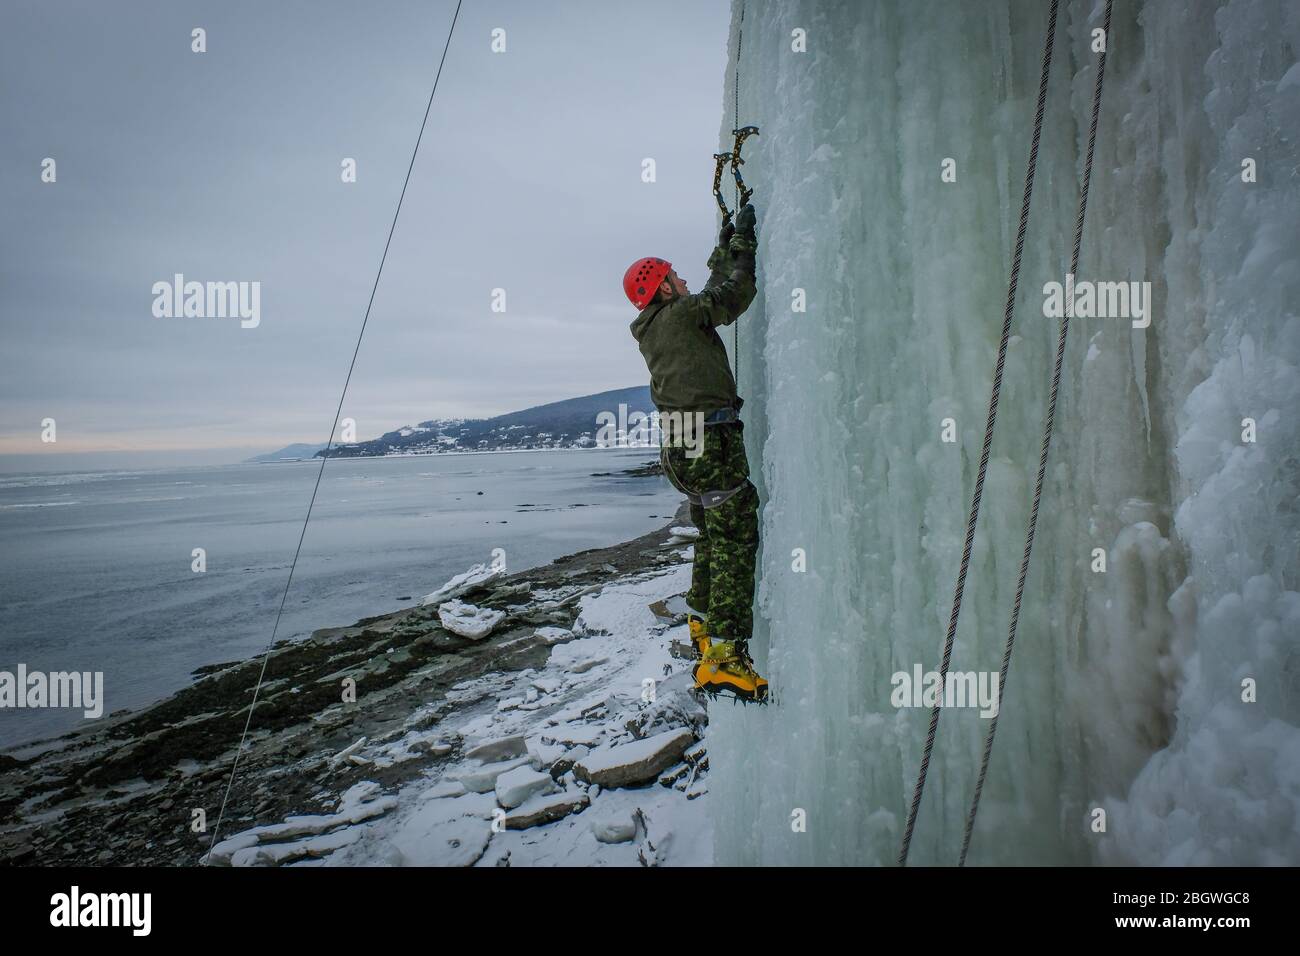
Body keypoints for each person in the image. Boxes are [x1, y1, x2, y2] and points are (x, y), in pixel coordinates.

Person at [624, 203, 767, 702]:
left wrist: (722, 246)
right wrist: (743, 247)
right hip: (710, 440)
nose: (682, 279)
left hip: (681, 445)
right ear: (664, 288)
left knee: (711, 529)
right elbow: (730, 298)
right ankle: (725, 655)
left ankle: (702, 622)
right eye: (674, 275)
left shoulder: (660, 324)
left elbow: (705, 293)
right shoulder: (683, 314)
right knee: (735, 534)